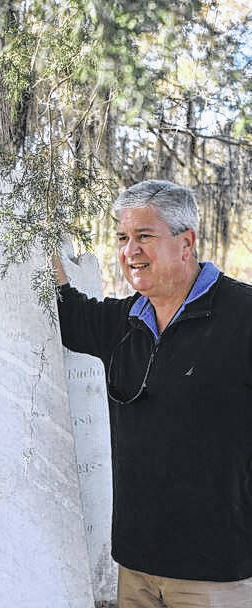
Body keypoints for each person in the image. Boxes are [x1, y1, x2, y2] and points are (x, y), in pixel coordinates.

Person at [53, 179, 252, 608]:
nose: (130, 251)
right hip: (137, 566)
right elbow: (64, 312)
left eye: (144, 236)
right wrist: (34, 234)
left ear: (186, 243)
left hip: (217, 571)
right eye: (123, 237)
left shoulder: (244, 316)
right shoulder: (123, 322)